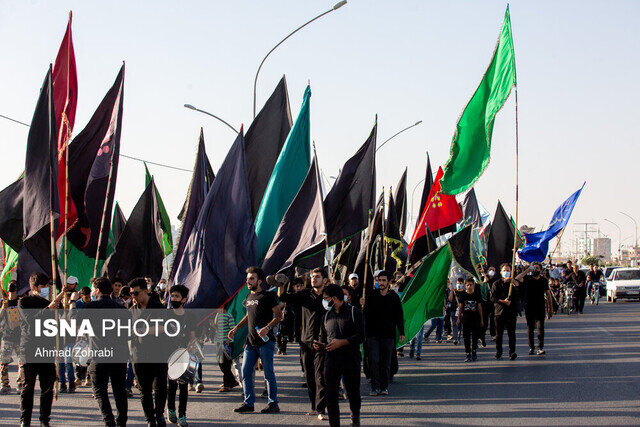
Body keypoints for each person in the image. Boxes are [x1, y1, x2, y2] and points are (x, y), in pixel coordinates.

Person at [19, 272, 72, 427]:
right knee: (28, 387)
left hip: (47, 349)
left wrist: (63, 298)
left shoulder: (51, 303)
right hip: (29, 349)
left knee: (47, 387)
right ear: (34, 287)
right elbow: (31, 321)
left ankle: (44, 419)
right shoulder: (25, 302)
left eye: (48, 287)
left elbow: (62, 318)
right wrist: (49, 308)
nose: (46, 290)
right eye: (43, 287)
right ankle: (25, 419)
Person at [229, 266, 282, 414]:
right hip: (251, 343)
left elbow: (279, 316)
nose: (248, 281)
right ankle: (249, 403)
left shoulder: (268, 296)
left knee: (268, 374)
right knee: (246, 373)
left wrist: (268, 327)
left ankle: (273, 404)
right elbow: (248, 317)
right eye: (247, 279)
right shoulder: (248, 297)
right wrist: (236, 328)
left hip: (266, 342)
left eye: (251, 278)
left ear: (259, 280)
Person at [81, 277, 129, 427]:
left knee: (100, 391)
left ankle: (109, 421)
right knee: (120, 391)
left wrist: (71, 303)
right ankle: (121, 421)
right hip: (119, 355)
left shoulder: (90, 307)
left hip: (99, 354)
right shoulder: (121, 308)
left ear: (97, 290)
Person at [314, 284, 364, 427]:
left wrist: (343, 342)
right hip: (331, 361)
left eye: (326, 298)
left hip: (350, 360)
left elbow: (361, 336)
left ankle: (355, 417)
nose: (324, 301)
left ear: (334, 298)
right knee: (330, 395)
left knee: (353, 393)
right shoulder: (326, 316)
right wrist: (319, 345)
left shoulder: (354, 312)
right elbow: (322, 337)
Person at [129, 277, 169, 426]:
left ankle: (159, 415)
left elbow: (165, 328)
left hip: (158, 353)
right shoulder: (132, 311)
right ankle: (149, 419)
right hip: (139, 355)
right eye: (131, 294)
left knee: (160, 388)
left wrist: (143, 331)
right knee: (144, 390)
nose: (133, 296)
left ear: (145, 291)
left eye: (136, 293)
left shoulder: (158, 307)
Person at [363, 270, 404, 396]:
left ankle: (384, 386)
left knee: (385, 362)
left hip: (388, 335)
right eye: (379, 280)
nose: (380, 283)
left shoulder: (394, 297)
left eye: (383, 280)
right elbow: (365, 315)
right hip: (373, 334)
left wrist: (401, 332)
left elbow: (399, 315)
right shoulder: (371, 295)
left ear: (389, 282)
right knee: (374, 360)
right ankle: (375, 387)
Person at [166, 284, 196, 427]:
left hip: (184, 355)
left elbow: (192, 336)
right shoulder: (166, 314)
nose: (173, 299)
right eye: (172, 296)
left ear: (183, 299)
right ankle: (170, 409)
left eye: (177, 296)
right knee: (171, 386)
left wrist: (191, 343)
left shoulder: (188, 316)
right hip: (169, 355)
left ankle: (182, 415)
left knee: (183, 386)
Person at [516, 262, 553, 356]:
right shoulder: (527, 278)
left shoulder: (544, 280)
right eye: (534, 268)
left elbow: (548, 294)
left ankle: (540, 347)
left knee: (540, 328)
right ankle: (531, 347)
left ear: (540, 270)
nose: (535, 270)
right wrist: (527, 270)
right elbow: (517, 278)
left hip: (540, 307)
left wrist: (550, 308)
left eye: (537, 268)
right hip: (529, 307)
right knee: (530, 328)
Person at [491, 264, 519, 360]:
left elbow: (520, 293)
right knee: (499, 334)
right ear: (501, 272)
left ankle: (512, 352)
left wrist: (513, 282)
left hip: (511, 312)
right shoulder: (496, 283)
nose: (506, 272)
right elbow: (493, 298)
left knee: (511, 333)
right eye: (504, 270)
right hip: (499, 312)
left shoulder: (513, 284)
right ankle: (499, 351)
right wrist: (503, 301)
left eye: (508, 270)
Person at [1, 280, 23, 394]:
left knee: (22, 361)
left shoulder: (21, 302)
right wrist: (3, 309)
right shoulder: (3, 302)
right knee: (4, 361)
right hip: (7, 336)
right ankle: (5, 384)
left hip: (19, 336)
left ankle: (20, 383)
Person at [57, 275, 78, 393]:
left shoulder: (75, 297)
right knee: (60, 362)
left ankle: (71, 382)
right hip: (59, 334)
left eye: (71, 284)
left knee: (68, 361)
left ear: (75, 284)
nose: (69, 285)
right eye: (68, 283)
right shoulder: (61, 296)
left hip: (70, 334)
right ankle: (62, 383)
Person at [213, 304, 239, 393]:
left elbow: (233, 329)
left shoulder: (229, 316)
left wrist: (229, 340)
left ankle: (227, 385)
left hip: (227, 344)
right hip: (219, 342)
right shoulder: (218, 316)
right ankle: (231, 381)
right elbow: (217, 328)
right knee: (221, 363)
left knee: (225, 364)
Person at [457, 278, 484, 362]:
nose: (469, 287)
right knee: (466, 337)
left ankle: (474, 351)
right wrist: (458, 318)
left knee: (475, 336)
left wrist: (482, 319)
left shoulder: (477, 294)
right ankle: (468, 353)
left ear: (473, 285)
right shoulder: (463, 295)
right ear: (465, 286)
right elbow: (461, 307)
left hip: (475, 319)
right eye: (467, 285)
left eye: (471, 285)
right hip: (466, 319)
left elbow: (479, 307)